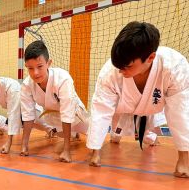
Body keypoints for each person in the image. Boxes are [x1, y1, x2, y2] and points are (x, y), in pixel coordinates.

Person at [87, 21, 189, 178]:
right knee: (115, 134)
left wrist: (184, 159)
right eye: (118, 64)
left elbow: (180, 112)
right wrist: (96, 151)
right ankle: (115, 135)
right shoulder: (110, 71)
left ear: (150, 58)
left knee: (151, 133)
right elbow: (101, 110)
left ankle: (152, 138)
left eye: (127, 66)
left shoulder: (175, 66)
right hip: (121, 107)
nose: (121, 70)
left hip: (153, 106)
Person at [20, 40, 89, 162]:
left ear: (49, 63)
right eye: (30, 68)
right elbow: (27, 114)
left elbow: (67, 112)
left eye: (40, 66)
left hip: (76, 114)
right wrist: (24, 145)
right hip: (54, 116)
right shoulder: (27, 85)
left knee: (94, 138)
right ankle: (73, 133)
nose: (35, 73)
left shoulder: (62, 78)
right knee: (59, 133)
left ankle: (78, 131)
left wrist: (66, 150)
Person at [0, 64, 55, 153]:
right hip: (21, 115)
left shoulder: (12, 87)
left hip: (32, 110)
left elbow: (13, 113)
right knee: (33, 124)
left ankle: (52, 129)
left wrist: (9, 143)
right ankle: (50, 129)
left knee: (46, 125)